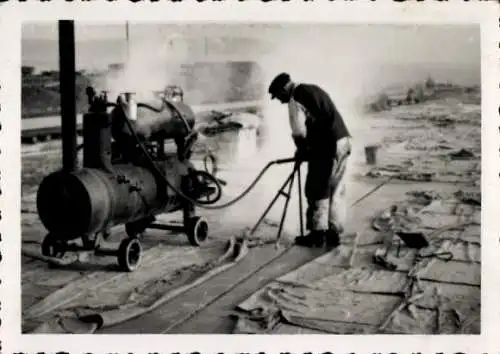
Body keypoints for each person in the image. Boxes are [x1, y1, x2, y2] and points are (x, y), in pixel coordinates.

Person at [268, 72, 352, 248]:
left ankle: (318, 234)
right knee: (335, 187)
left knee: (316, 188)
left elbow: (298, 130)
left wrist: (301, 150)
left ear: (285, 90)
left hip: (327, 146)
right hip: (343, 141)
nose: (279, 100)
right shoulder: (313, 89)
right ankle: (333, 232)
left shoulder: (295, 98)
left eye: (278, 96)